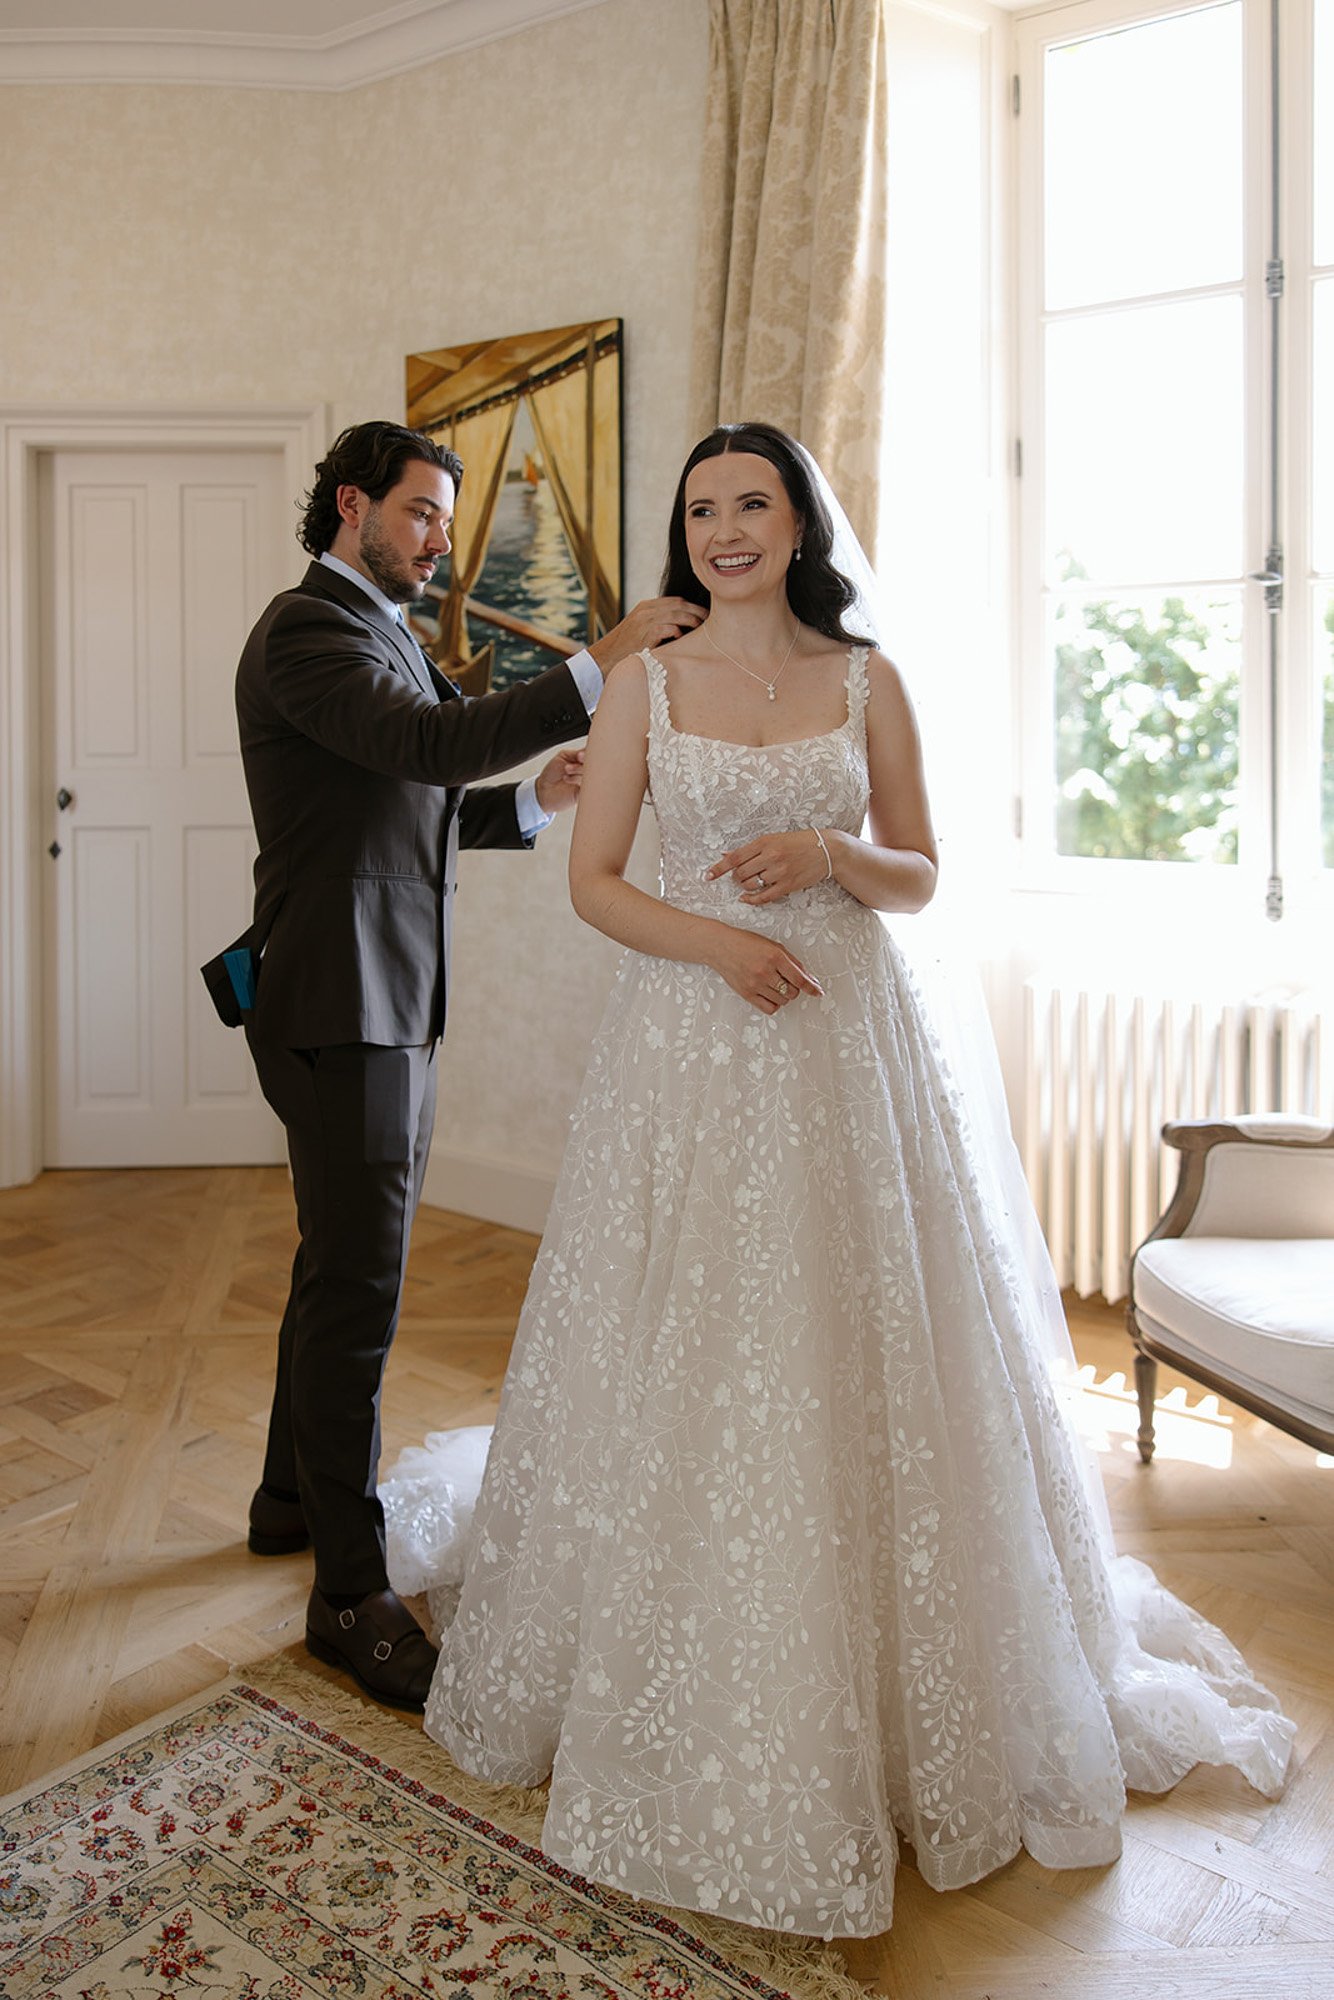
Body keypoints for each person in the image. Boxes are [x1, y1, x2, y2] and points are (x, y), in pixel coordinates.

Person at [383, 422, 1294, 1937]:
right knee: (688, 1328)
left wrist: (829, 853)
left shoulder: (867, 679)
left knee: (866, 1329)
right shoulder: (652, 683)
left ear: (799, 523)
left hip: (850, 1040)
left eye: (751, 502)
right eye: (700, 509)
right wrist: (724, 942)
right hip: (692, 1040)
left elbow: (924, 870)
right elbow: (596, 880)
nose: (725, 528)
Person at [201, 419, 701, 1712]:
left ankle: (280, 1506)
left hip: (373, 996)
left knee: (335, 1263)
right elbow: (425, 753)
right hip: (334, 1001)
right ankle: (346, 1598)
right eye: (420, 515)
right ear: (352, 505)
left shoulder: (382, 639)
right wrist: (602, 664)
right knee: (360, 1285)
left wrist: (536, 795)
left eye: (444, 522)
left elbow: (416, 803)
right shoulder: (306, 631)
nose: (437, 543)